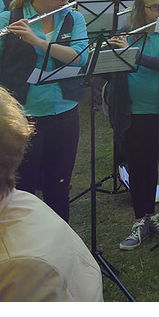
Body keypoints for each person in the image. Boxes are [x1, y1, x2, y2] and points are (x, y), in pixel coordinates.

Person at [0, 0, 88, 222]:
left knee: (59, 184)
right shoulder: (9, 19)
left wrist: (36, 40)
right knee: (22, 187)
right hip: (22, 117)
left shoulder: (74, 17)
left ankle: (61, 244)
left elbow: (77, 57)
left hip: (64, 111)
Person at [0, 86, 103, 301]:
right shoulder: (24, 200)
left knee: (58, 186)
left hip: (60, 114)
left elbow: (81, 57)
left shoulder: (19, 265)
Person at [106, 0, 159, 250]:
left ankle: (151, 216)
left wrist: (132, 52)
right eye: (154, 7)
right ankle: (140, 220)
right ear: (140, 9)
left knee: (151, 162)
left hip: (157, 108)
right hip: (130, 109)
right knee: (137, 164)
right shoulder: (125, 31)